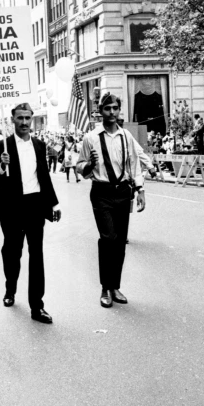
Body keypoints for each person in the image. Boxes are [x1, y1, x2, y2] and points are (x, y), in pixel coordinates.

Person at [0, 103, 60, 324]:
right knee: (12, 252)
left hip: (35, 206)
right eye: (20, 118)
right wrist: (1, 166)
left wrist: (54, 204)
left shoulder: (39, 145)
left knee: (36, 255)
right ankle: (10, 288)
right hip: (11, 208)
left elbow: (44, 177)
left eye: (28, 118)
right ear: (13, 120)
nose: (25, 122)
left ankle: (37, 307)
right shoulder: (3, 146)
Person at [76, 91, 146, 308]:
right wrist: (88, 166)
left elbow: (134, 164)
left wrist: (140, 188)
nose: (112, 112)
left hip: (123, 192)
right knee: (108, 239)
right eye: (108, 108)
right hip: (102, 193)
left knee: (120, 241)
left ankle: (115, 286)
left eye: (115, 108)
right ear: (100, 111)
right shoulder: (91, 138)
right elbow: (80, 166)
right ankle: (105, 288)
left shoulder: (126, 136)